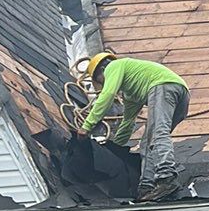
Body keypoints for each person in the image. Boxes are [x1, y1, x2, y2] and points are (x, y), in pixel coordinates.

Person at [79, 51, 190, 203]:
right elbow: (127, 123)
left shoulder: (115, 66)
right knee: (148, 142)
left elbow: (107, 95)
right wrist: (114, 149)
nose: (104, 83)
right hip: (181, 94)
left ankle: (166, 177)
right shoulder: (131, 93)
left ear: (102, 70)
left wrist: (86, 126)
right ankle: (146, 186)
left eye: (100, 80)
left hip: (163, 87)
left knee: (158, 133)